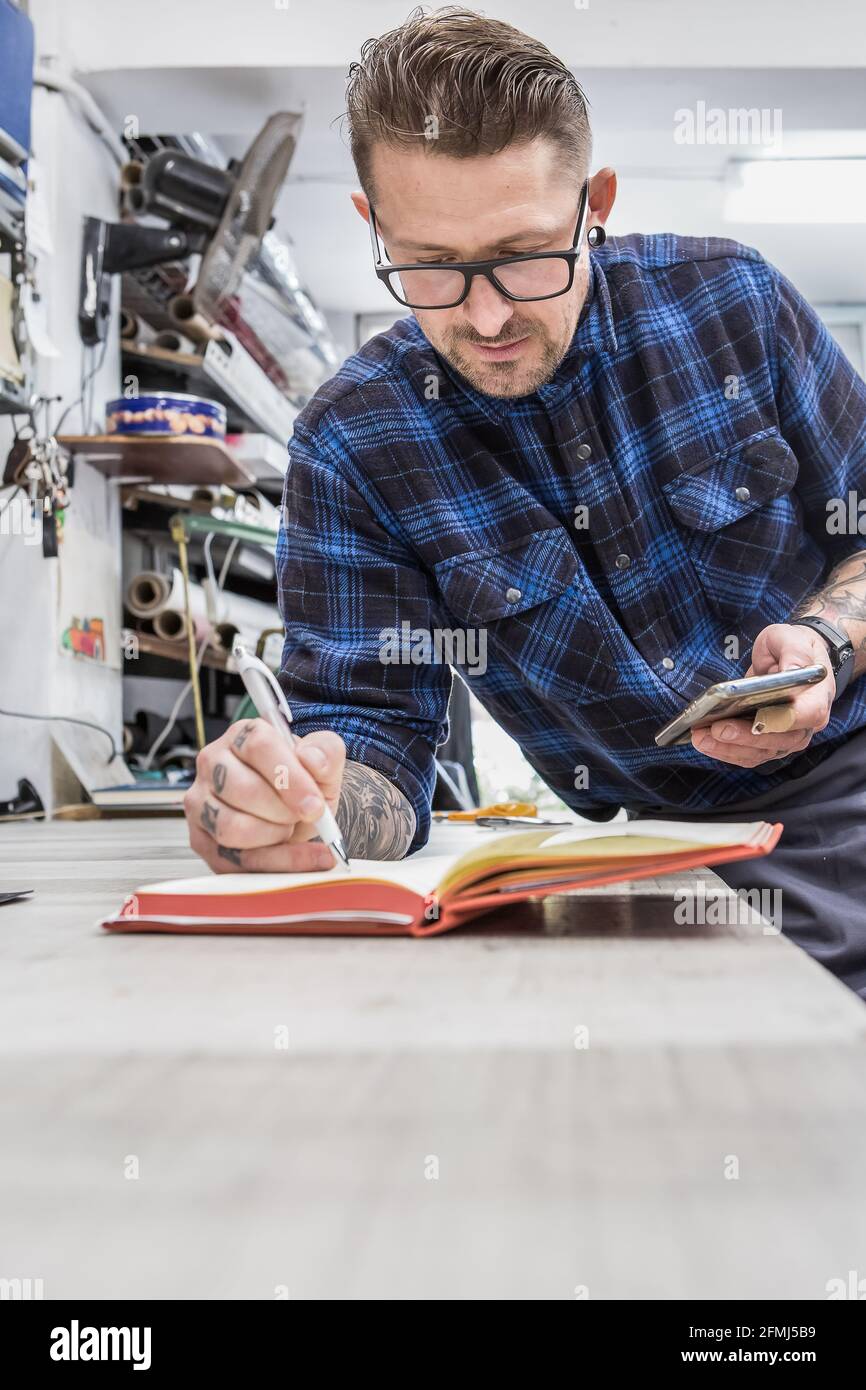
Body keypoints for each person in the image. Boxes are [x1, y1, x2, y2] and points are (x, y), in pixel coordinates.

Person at [184, 7, 866, 998]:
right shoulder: (351, 445)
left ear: (596, 203)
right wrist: (308, 806)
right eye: (431, 267)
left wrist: (823, 645)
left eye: (523, 255)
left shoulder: (732, 304)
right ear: (372, 226)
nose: (487, 313)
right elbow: (371, 735)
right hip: (651, 859)